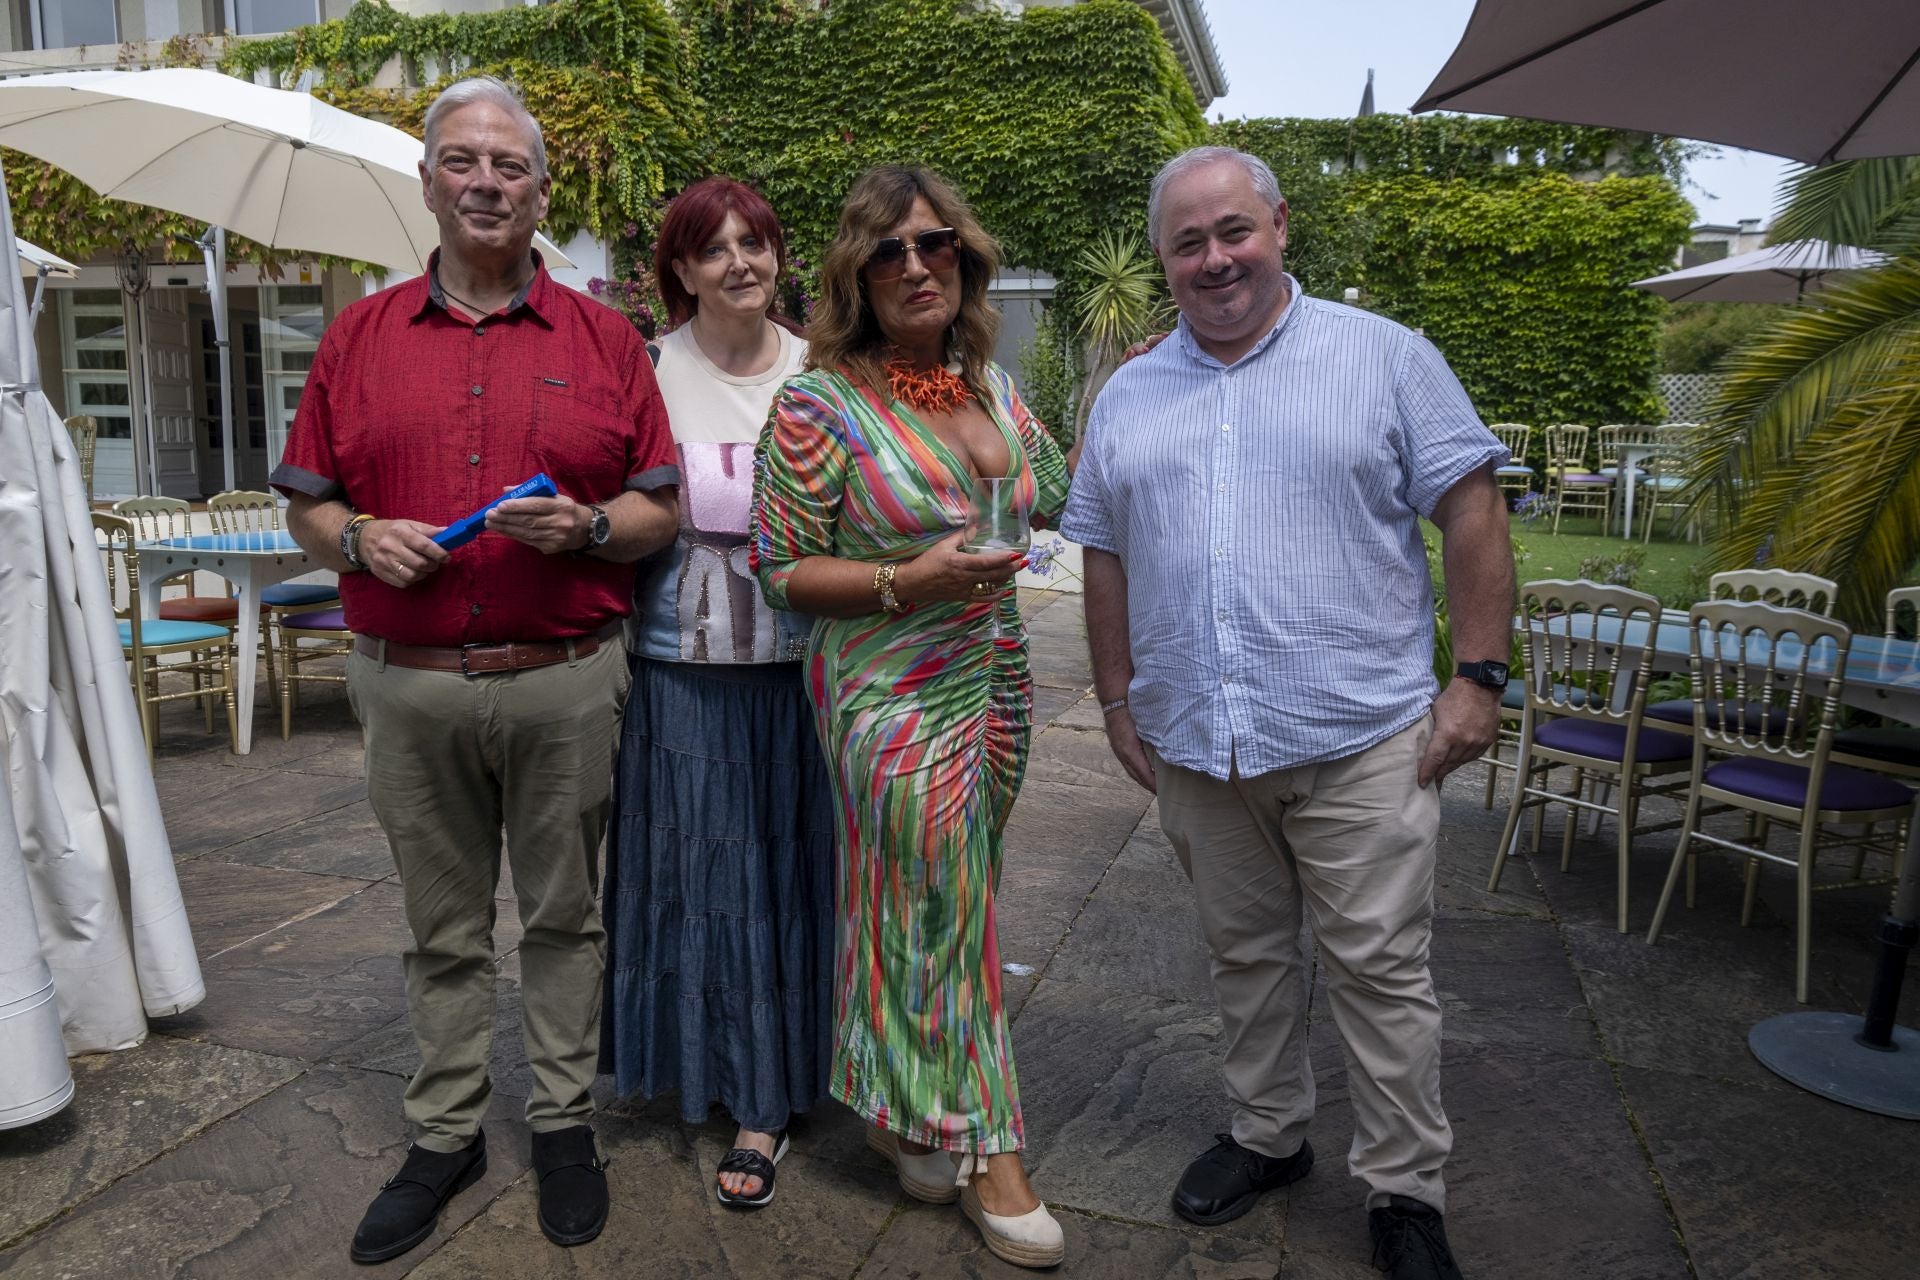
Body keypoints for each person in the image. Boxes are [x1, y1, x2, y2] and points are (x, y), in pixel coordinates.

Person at [1061, 146, 1513, 1280]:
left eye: (1233, 232)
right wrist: (1117, 698)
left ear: (1279, 226)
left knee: (1379, 970)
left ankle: (1406, 1189)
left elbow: (1471, 508)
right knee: (1245, 958)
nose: (1214, 259)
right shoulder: (1130, 391)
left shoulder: (1385, 358)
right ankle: (1269, 1137)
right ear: (1163, 259)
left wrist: (1479, 676)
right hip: (1201, 745)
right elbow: (1103, 554)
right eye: (1187, 242)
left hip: (1360, 737)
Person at [271, 76, 679, 1265]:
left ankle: (561, 1124)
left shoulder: (608, 339)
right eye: (464, 161)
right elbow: (306, 499)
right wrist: (353, 538)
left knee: (565, 916)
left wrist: (594, 529)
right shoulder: (359, 334)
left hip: (565, 676)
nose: (488, 182)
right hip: (410, 678)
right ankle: (444, 1133)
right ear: (430, 182)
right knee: (440, 926)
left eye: (511, 165)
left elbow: (659, 506)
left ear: (542, 189)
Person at [750, 165, 1074, 1270]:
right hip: (886, 684)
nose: (913, 266)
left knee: (931, 901)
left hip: (997, 673)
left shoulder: (992, 388)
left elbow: (1051, 491)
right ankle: (990, 1145)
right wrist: (906, 581)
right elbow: (779, 570)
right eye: (885, 253)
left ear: (964, 258)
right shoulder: (819, 403)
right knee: (947, 905)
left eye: (932, 243)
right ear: (854, 276)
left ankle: (897, 1112)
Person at [599, 176, 834, 1210]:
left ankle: (775, 1090)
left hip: (809, 670)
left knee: (791, 877)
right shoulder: (645, 373)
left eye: (758, 241)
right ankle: (717, 1074)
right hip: (679, 671)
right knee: (702, 875)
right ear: (681, 269)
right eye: (716, 247)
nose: (742, 260)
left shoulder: (827, 368)